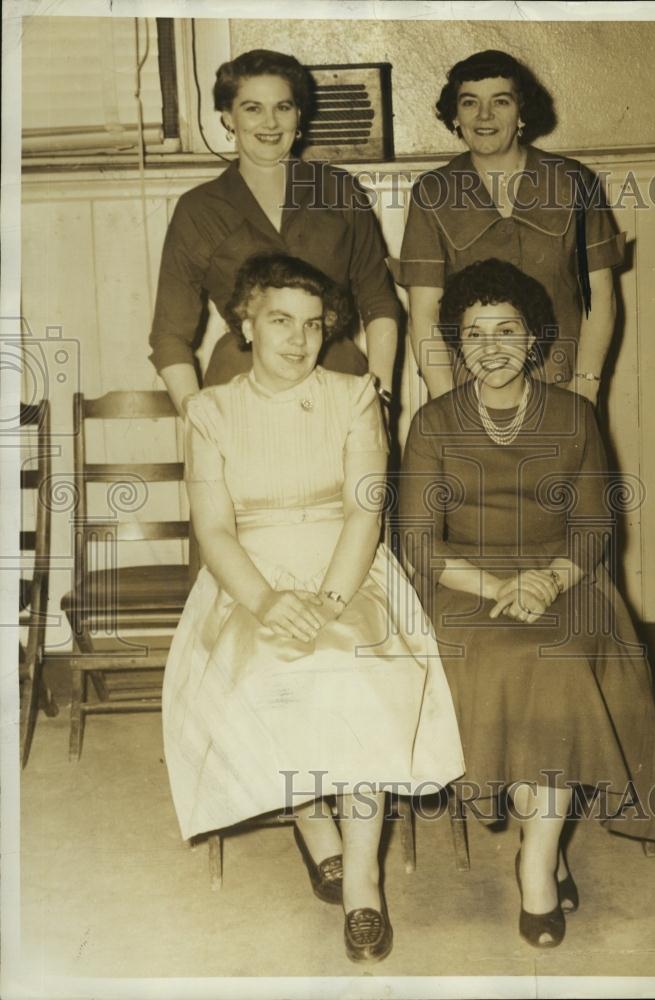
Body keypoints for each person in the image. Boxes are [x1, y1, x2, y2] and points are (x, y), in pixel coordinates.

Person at [162, 254, 463, 964]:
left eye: (313, 325)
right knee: (269, 673)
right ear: (246, 323)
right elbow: (213, 530)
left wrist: (330, 598)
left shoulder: (355, 395)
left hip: (347, 565)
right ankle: (312, 823)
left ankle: (362, 881)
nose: (298, 340)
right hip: (249, 575)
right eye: (279, 322)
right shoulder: (209, 410)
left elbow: (367, 510)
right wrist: (266, 601)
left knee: (354, 673)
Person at [398, 259, 655, 950]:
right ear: (455, 345)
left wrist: (551, 580)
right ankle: (544, 852)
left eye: (506, 330)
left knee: (559, 657)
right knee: (502, 657)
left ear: (535, 339)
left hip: (565, 577)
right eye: (473, 333)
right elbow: (414, 541)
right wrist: (496, 586)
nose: (490, 347)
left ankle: (536, 855)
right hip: (466, 584)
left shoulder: (574, 415)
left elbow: (595, 527)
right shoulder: (433, 422)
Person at [149, 49, 398, 415]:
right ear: (227, 118)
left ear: (299, 116)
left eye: (283, 107)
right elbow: (170, 336)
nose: (270, 123)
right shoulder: (198, 209)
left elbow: (380, 302)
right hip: (239, 388)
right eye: (252, 108)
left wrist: (381, 398)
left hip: (339, 384)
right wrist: (200, 419)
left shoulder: (339, 191)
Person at [391, 49, 624, 403]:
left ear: (522, 112)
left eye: (500, 101)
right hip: (469, 390)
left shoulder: (572, 181)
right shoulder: (432, 192)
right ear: (455, 116)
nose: (484, 115)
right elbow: (424, 313)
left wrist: (586, 387)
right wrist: (446, 402)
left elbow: (600, 296)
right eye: (469, 103)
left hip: (561, 385)